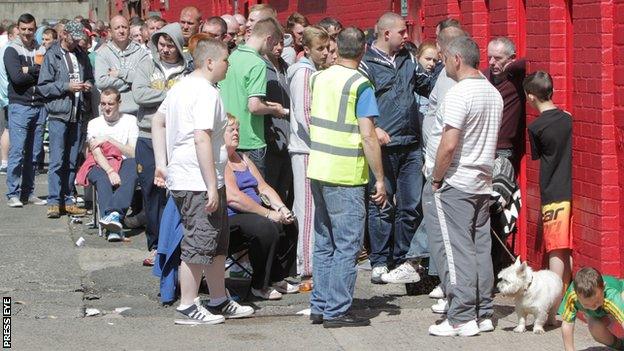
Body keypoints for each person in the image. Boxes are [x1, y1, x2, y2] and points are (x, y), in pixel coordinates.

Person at [152, 38, 254, 325]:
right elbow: (201, 137)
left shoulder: (182, 87)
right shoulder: (205, 93)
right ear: (210, 62)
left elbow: (157, 122)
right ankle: (187, 305)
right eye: (225, 60)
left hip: (197, 178)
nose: (228, 65)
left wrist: (162, 164)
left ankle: (219, 299)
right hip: (198, 181)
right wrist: (211, 184)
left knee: (217, 242)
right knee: (199, 244)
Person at [308, 27, 386, 328]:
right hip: (346, 173)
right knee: (347, 245)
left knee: (325, 241)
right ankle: (336, 310)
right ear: (364, 50)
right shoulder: (361, 84)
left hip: (320, 167)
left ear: (336, 48)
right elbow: (368, 136)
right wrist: (379, 177)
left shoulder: (318, 77)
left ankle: (321, 305)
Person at [424, 36, 503, 337]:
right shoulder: (492, 93)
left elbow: (449, 143)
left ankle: (461, 316)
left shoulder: (459, 94)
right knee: (479, 247)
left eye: (444, 58)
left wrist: (437, 178)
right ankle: (483, 313)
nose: (442, 63)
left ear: (456, 59)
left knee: (455, 251)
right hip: (481, 181)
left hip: (455, 182)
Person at [358, 13, 430, 285]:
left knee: (410, 205)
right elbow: (359, 102)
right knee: (381, 204)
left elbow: (427, 85)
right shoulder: (367, 64)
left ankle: (403, 259)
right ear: (386, 33)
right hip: (383, 147)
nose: (407, 36)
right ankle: (379, 260)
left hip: (411, 144)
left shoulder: (408, 59)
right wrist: (372, 128)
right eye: (402, 31)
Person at [132, 22, 190, 266]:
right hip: (147, 136)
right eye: (161, 45)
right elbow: (139, 95)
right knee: (151, 193)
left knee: (174, 193)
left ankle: (175, 243)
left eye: (170, 45)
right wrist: (171, 94)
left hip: (175, 139)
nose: (165, 50)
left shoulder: (187, 70)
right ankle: (155, 245)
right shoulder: (146, 65)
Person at [224, 114, 298, 300]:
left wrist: (281, 208)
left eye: (237, 129)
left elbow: (263, 187)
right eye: (231, 130)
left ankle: (277, 277)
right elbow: (233, 198)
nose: (236, 133)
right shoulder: (220, 160)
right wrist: (267, 214)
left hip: (254, 214)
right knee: (265, 227)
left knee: (290, 222)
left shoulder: (243, 158)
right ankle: (259, 285)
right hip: (230, 218)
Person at [421, 25, 466, 305]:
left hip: (444, 168)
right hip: (438, 162)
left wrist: (437, 174)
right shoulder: (446, 75)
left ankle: (450, 291)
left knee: (445, 234)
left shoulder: (451, 80)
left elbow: (449, 137)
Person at [287, 26, 329, 291]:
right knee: (306, 208)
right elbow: (305, 114)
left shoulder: (313, 71)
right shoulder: (303, 73)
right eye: (320, 49)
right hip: (305, 149)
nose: (325, 53)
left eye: (327, 48)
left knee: (311, 207)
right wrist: (323, 141)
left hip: (311, 148)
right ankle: (305, 266)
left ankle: (308, 261)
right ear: (307, 49)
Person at [38, 21, 94, 218]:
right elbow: (43, 86)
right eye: (73, 37)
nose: (77, 41)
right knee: (57, 160)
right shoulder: (51, 55)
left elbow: (90, 77)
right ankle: (54, 200)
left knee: (71, 159)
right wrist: (66, 86)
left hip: (77, 113)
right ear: (64, 34)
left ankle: (68, 198)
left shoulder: (81, 54)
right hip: (59, 114)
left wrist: (87, 84)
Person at [220, 18, 287, 177]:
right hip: (250, 140)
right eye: (274, 43)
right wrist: (274, 109)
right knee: (257, 194)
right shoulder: (257, 63)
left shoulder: (233, 55)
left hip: (228, 137)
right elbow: (254, 106)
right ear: (268, 39)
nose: (274, 48)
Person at [524, 71, 573, 285]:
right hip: (570, 190)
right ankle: (568, 297)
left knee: (555, 248)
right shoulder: (569, 119)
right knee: (567, 248)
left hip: (552, 192)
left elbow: (538, 156)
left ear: (531, 97)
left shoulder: (535, 127)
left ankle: (555, 299)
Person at [83, 87, 138, 241]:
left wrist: (109, 139)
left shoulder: (130, 121)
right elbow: (96, 153)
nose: (106, 108)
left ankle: (112, 216)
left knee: (133, 167)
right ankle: (114, 223)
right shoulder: (94, 123)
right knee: (103, 179)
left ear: (119, 103)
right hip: (99, 162)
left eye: (110, 104)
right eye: (103, 104)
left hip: (124, 161)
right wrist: (110, 170)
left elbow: (132, 152)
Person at [4, 13, 46, 208]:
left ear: (35, 29)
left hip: (38, 105)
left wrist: (28, 70)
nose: (27, 33)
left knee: (34, 153)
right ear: (18, 29)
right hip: (19, 105)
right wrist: (34, 71)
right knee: (18, 151)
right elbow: (17, 78)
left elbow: (45, 75)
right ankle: (12, 192)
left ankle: (28, 193)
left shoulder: (41, 49)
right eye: (24, 29)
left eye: (31, 29)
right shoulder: (11, 50)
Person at [485, 37, 526, 168]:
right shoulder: (484, 76)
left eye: (498, 58)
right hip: (483, 147)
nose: (492, 62)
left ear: (512, 58)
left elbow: (530, 61)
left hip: (503, 149)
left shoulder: (516, 78)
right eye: (489, 57)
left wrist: (510, 67)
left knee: (500, 188)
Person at [560, 267, 624, 351]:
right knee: (594, 327)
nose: (593, 306)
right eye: (586, 304)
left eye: (596, 301)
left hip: (619, 300)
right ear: (576, 295)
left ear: (603, 288)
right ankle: (620, 345)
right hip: (603, 312)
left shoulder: (611, 295)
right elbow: (567, 324)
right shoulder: (572, 296)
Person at [95, 15, 147, 116]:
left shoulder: (141, 53)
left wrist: (120, 73)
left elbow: (145, 79)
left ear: (129, 29)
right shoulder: (103, 54)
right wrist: (130, 82)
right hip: (110, 113)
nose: (121, 31)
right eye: (117, 28)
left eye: (124, 27)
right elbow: (101, 83)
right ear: (110, 31)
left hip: (137, 111)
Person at [0, 24, 19, 175]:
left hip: (7, 95)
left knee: (8, 129)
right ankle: (6, 162)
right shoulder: (8, 50)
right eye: (17, 35)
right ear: (11, 36)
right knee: (8, 129)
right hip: (10, 96)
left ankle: (6, 161)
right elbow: (7, 77)